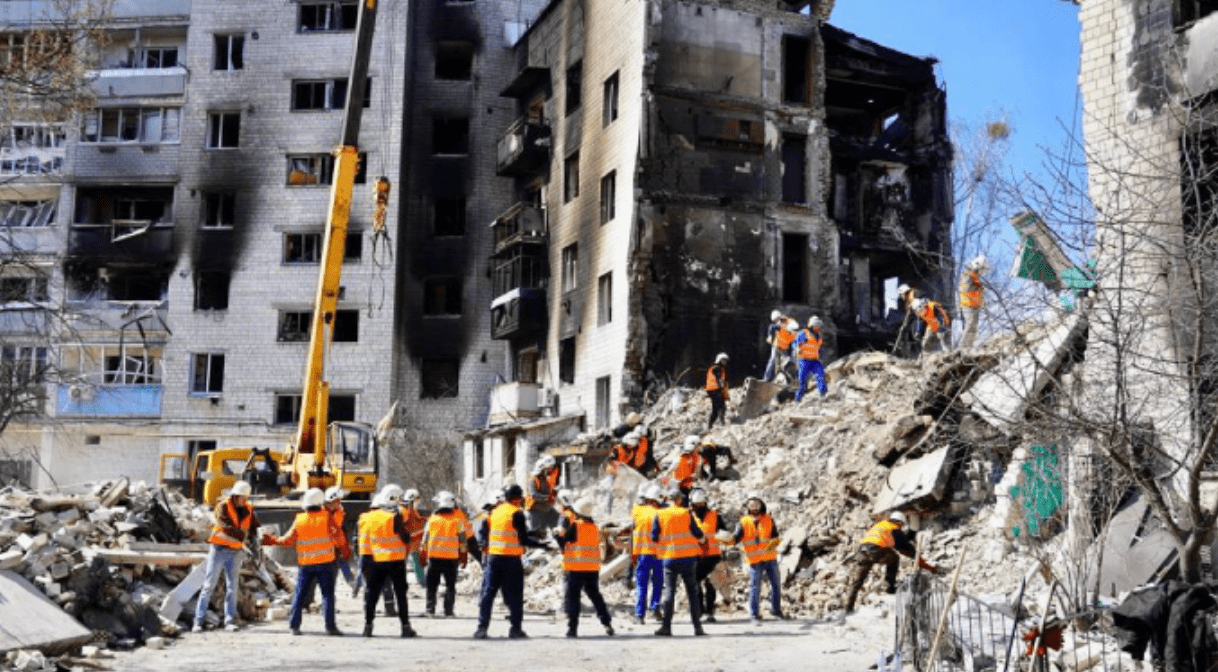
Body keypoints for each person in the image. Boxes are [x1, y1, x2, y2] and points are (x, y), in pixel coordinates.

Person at [262, 488, 344, 637]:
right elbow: (339, 539)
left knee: (299, 595)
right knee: (328, 595)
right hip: (326, 563)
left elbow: (287, 541)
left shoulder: (299, 519)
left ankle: (294, 626)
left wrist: (272, 540)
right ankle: (330, 627)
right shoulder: (327, 517)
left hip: (306, 564)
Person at [474, 484, 547, 639]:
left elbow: (507, 532)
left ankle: (481, 628)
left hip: (494, 558)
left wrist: (532, 534)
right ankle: (515, 629)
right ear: (517, 499)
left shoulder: (494, 512)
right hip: (511, 560)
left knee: (488, 593)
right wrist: (542, 544)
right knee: (514, 595)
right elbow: (522, 539)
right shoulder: (517, 513)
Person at [193, 480, 259, 633]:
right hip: (219, 549)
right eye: (242, 498)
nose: (244, 501)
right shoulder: (223, 506)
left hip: (235, 552)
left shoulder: (248, 509)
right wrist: (244, 537)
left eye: (246, 498)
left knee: (232, 587)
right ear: (235, 496)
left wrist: (254, 539)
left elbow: (254, 527)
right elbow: (226, 527)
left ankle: (229, 621)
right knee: (209, 585)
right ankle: (198, 621)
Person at [844, 511, 938, 613]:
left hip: (861, 552)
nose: (901, 527)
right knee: (894, 558)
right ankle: (890, 588)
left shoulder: (880, 525)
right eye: (901, 526)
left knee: (857, 580)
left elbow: (893, 541)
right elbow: (909, 552)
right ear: (900, 523)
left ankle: (848, 607)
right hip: (876, 551)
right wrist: (929, 568)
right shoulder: (895, 529)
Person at [355, 489, 417, 638]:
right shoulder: (395, 517)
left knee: (372, 593)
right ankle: (405, 627)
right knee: (401, 595)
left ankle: (368, 626)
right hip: (396, 561)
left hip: (377, 560)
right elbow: (406, 538)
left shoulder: (368, 517)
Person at [650, 490, 706, 636]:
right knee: (693, 593)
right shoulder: (686, 513)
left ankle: (666, 627)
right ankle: (697, 628)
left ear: (668, 499)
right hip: (688, 558)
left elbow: (654, 536)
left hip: (670, 558)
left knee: (669, 592)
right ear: (680, 500)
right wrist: (703, 541)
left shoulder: (660, 514)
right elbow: (697, 533)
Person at [556, 497, 614, 638]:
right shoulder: (595, 528)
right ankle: (607, 623)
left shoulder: (576, 526)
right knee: (595, 596)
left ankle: (572, 629)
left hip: (576, 567)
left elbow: (563, 541)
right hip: (592, 568)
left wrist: (556, 536)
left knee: (573, 597)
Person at [733, 493, 784, 625]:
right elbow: (736, 538)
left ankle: (776, 610)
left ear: (761, 507)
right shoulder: (743, 522)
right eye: (752, 507)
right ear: (748, 508)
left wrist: (772, 546)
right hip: (755, 561)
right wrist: (728, 540)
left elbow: (775, 537)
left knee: (776, 585)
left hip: (770, 558)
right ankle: (754, 615)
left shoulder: (768, 519)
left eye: (757, 506)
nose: (754, 509)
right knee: (755, 588)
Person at [419, 490, 466, 618]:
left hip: (434, 558)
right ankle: (448, 611)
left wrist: (422, 554)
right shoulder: (457, 521)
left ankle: (430, 610)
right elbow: (462, 541)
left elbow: (425, 539)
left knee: (432, 586)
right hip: (451, 559)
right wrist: (464, 556)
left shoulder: (432, 520)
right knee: (450, 586)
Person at [689, 488, 726, 623]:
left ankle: (709, 612)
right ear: (692, 505)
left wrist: (725, 546)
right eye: (697, 504)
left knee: (711, 585)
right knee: (695, 584)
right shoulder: (688, 517)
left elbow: (724, 533)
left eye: (701, 504)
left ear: (705, 503)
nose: (699, 507)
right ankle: (699, 611)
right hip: (696, 555)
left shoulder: (715, 516)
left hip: (713, 556)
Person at [631, 484, 664, 624]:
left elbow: (633, 532)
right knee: (658, 584)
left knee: (641, 585)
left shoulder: (639, 512)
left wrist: (633, 555)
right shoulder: (662, 514)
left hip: (643, 553)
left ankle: (639, 616)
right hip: (659, 554)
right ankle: (655, 606)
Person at [793, 316, 827, 401]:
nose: (818, 327)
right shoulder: (803, 334)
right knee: (802, 382)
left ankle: (822, 394)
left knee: (821, 375)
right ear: (812, 325)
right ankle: (797, 399)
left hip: (815, 361)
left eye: (819, 326)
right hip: (804, 361)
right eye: (817, 325)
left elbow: (818, 348)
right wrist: (797, 348)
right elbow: (795, 343)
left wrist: (821, 355)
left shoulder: (819, 336)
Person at [958, 255, 987, 349]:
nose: (983, 271)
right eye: (982, 269)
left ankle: (969, 347)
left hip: (975, 305)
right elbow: (966, 287)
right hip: (968, 304)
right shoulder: (968, 275)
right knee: (970, 324)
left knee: (973, 327)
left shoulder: (975, 277)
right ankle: (962, 348)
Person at [525, 455, 561, 531]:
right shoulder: (532, 479)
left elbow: (548, 490)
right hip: (534, 508)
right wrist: (546, 498)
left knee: (557, 521)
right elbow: (534, 495)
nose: (548, 470)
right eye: (546, 469)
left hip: (544, 507)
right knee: (536, 532)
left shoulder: (543, 479)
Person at [400, 488, 427, 585]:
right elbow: (406, 525)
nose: (418, 502)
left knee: (415, 561)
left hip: (413, 541)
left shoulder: (411, 510)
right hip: (407, 541)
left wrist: (426, 519)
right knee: (403, 562)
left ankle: (422, 580)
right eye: (417, 499)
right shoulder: (405, 511)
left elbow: (417, 520)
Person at [763, 310, 799, 382]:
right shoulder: (780, 325)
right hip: (776, 346)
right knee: (772, 361)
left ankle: (792, 380)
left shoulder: (792, 327)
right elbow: (771, 327)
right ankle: (766, 378)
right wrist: (769, 336)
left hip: (785, 348)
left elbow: (794, 343)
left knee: (789, 363)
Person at [705, 353, 730, 429]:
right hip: (715, 390)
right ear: (719, 360)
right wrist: (723, 393)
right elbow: (720, 381)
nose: (725, 362)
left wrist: (725, 394)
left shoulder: (718, 368)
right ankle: (722, 423)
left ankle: (710, 425)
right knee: (721, 407)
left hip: (714, 390)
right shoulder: (716, 368)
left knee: (715, 410)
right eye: (723, 360)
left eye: (726, 360)